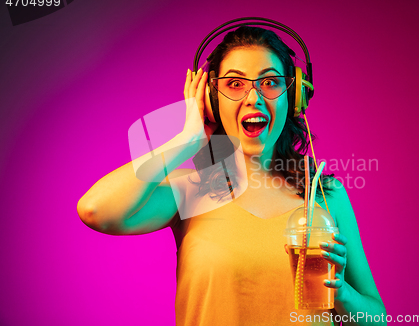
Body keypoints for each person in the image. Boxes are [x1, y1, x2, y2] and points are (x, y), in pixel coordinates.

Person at [77, 23, 386, 326]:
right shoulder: (191, 191)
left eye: (270, 82)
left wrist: (341, 293)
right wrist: (187, 139)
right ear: (211, 100)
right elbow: (96, 210)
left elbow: (376, 320)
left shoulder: (325, 195)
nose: (254, 98)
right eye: (235, 84)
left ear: (293, 98)